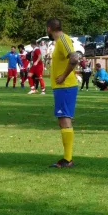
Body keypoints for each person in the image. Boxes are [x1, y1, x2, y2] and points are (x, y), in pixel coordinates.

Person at [47, 18, 80, 168]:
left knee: (65, 119)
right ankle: (67, 158)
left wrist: (63, 76)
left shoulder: (63, 39)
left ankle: (68, 159)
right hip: (62, 88)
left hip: (66, 87)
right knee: (62, 119)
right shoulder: (59, 41)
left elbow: (74, 58)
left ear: (49, 29)